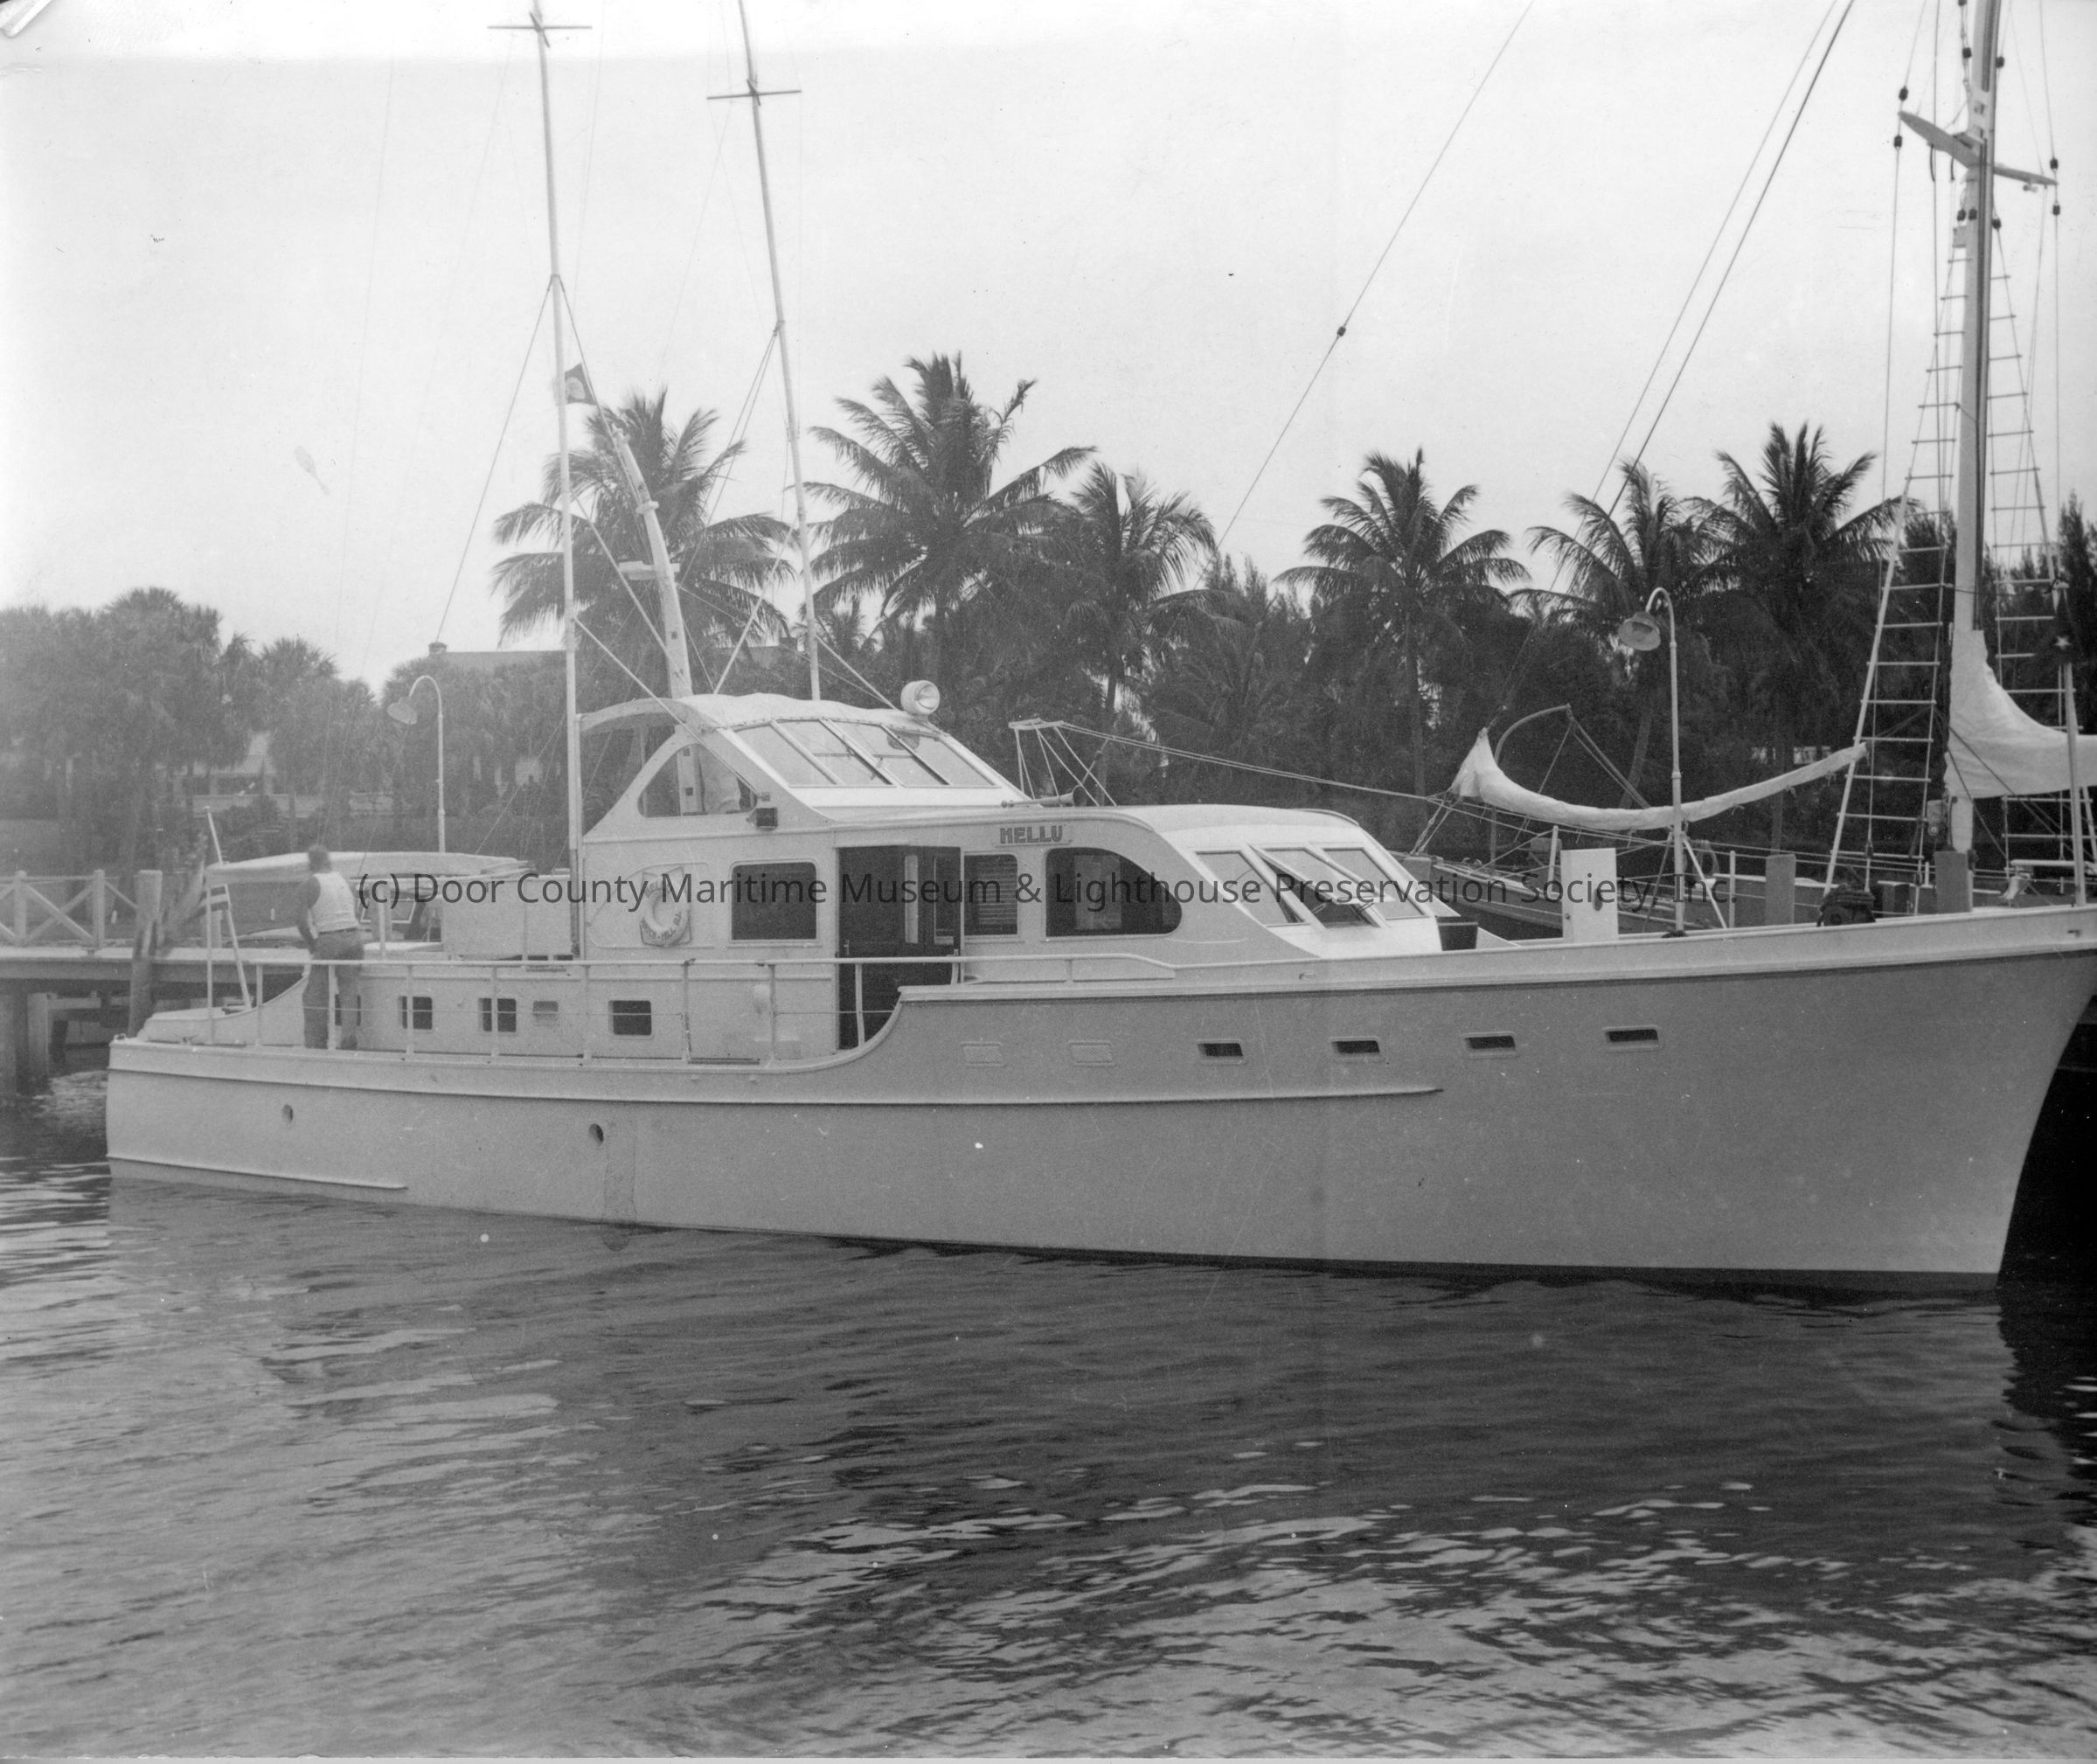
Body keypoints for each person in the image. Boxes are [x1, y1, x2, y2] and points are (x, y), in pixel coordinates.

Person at [298, 845, 365, 1048]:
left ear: (310, 863)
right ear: (329, 861)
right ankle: (348, 1040)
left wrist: (312, 945)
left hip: (330, 939)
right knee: (348, 992)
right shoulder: (344, 880)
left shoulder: (309, 884)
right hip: (354, 937)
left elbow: (301, 922)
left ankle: (317, 1043)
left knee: (314, 995)